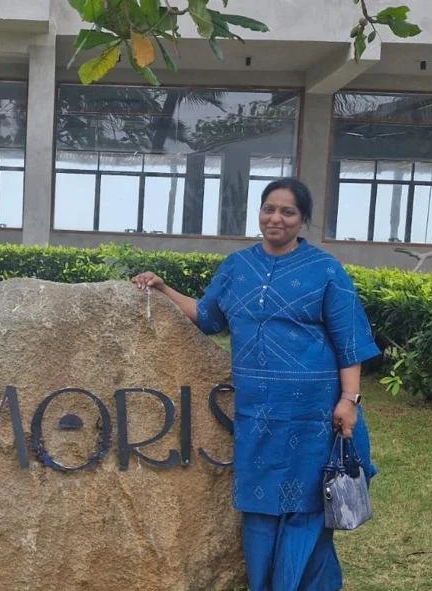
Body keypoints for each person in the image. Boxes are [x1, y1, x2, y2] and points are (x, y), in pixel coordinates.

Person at [131, 178, 380, 591]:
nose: (275, 218)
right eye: (269, 209)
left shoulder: (325, 271)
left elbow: (348, 339)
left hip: (313, 413)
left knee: (308, 505)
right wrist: (163, 289)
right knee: (259, 504)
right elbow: (208, 316)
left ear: (303, 220)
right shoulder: (237, 267)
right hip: (258, 413)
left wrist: (349, 400)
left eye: (287, 212)